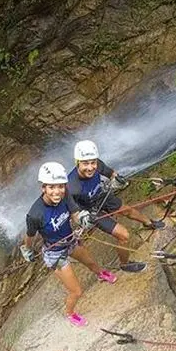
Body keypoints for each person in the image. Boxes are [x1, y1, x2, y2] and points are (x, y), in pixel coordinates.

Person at [22, 161, 116, 327]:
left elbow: (74, 213)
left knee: (91, 262)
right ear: (43, 188)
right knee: (76, 291)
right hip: (55, 254)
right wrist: (27, 249)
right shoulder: (35, 214)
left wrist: (82, 218)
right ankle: (70, 313)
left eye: (60, 186)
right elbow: (30, 235)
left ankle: (100, 274)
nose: (57, 191)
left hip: (70, 240)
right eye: (51, 187)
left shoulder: (65, 195)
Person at [67, 140, 164, 273]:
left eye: (92, 162)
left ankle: (148, 223)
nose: (90, 167)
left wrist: (117, 178)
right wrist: (82, 219)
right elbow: (72, 211)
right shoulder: (71, 186)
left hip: (101, 195)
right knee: (123, 235)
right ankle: (125, 264)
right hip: (92, 212)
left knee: (128, 210)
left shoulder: (97, 164)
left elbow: (110, 172)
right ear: (77, 162)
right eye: (85, 163)